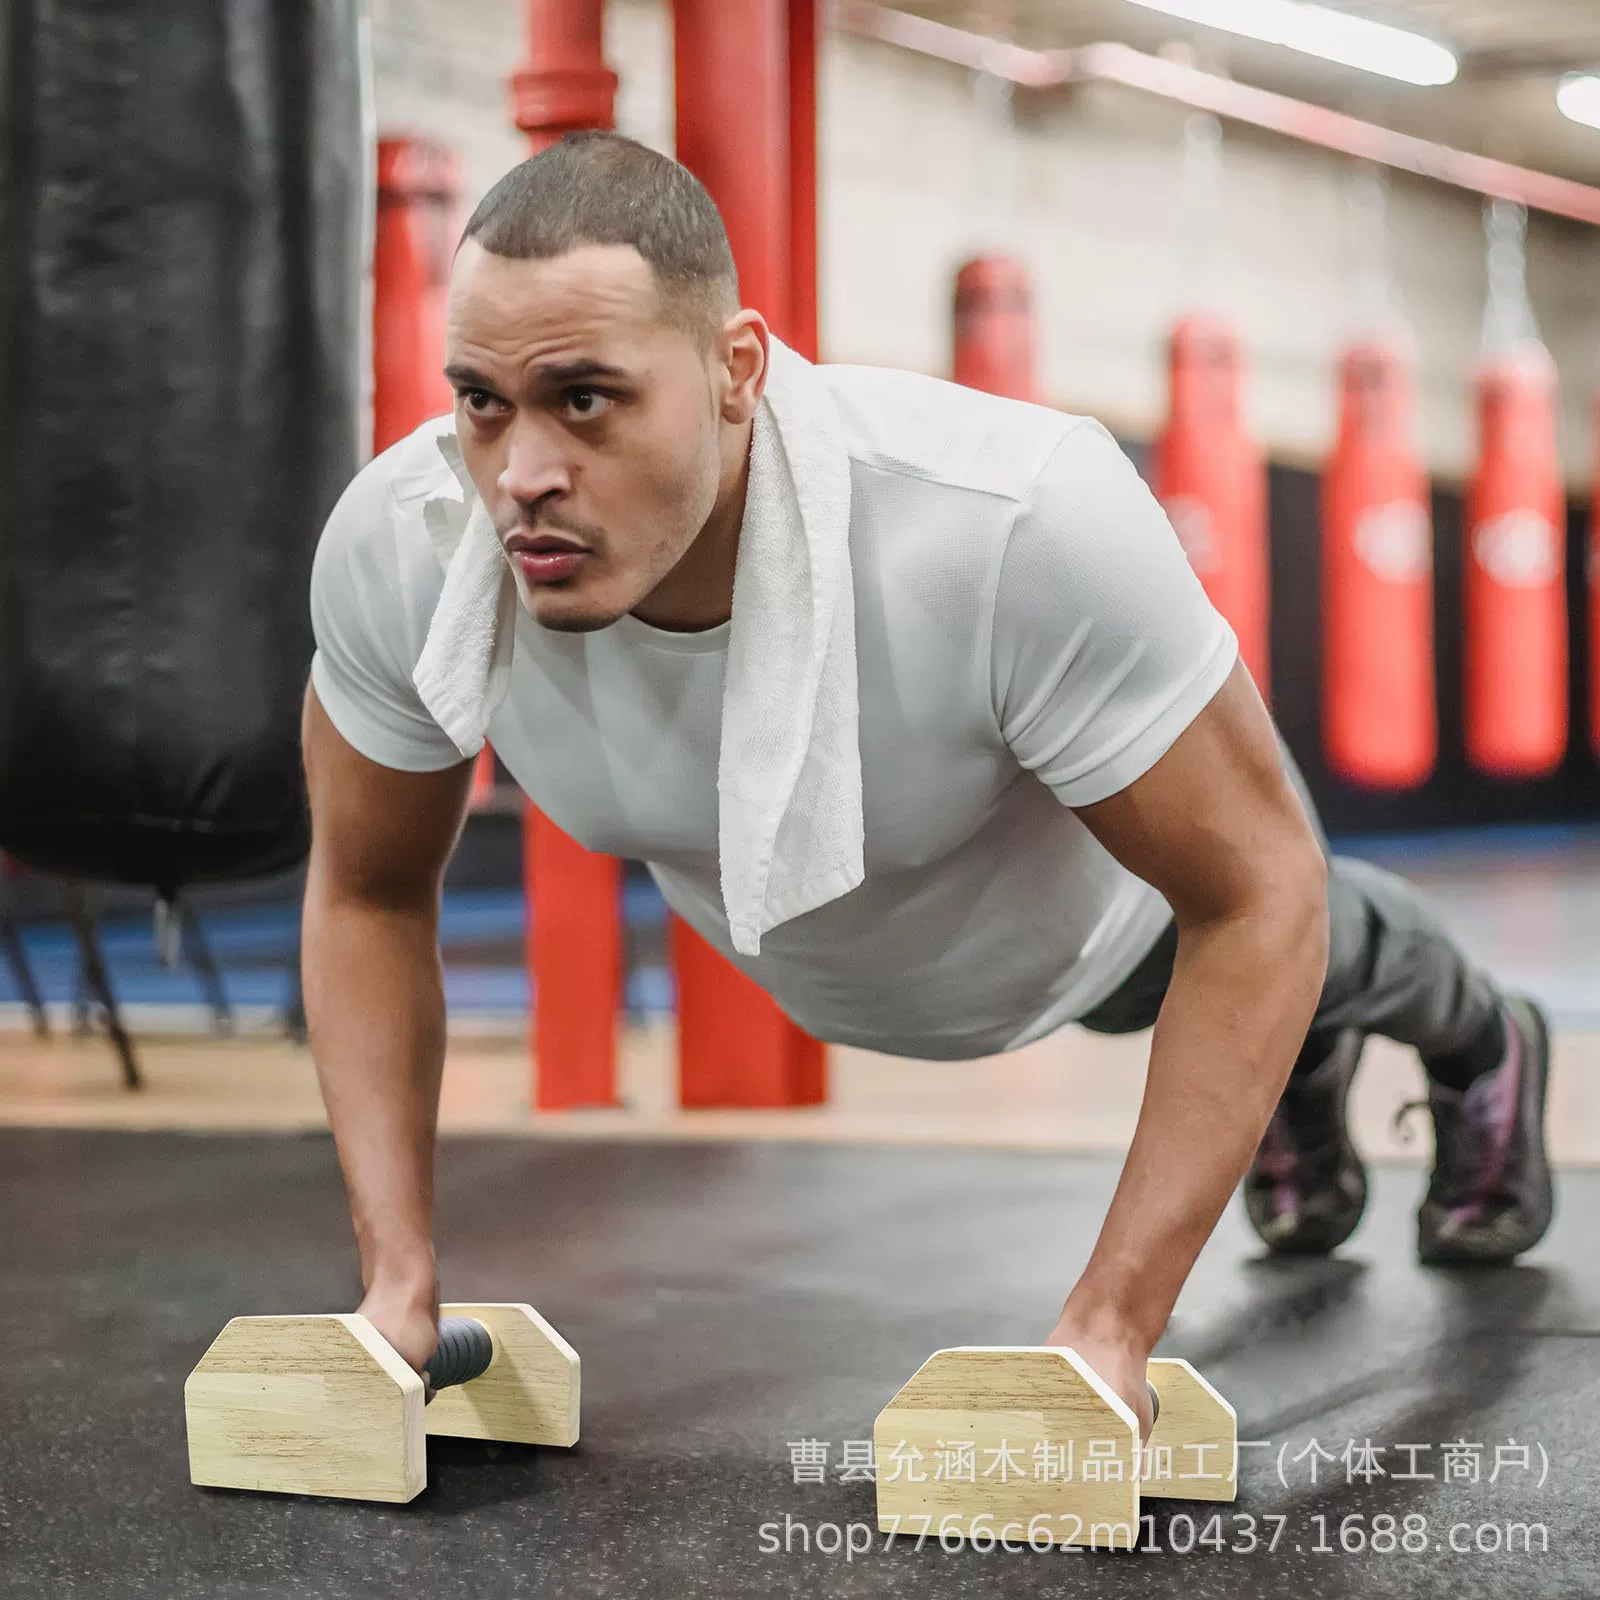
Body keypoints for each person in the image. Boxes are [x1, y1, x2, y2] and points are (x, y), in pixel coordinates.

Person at [301, 132, 1553, 1432]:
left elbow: (1259, 894)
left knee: (1302, 940)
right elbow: (367, 890)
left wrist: (1107, 1336)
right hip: (863, 949)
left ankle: (1483, 1047)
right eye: (483, 400)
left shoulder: (1006, 520)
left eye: (586, 398)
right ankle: (1287, 1065)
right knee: (1259, 984)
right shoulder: (409, 551)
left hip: (1114, 923)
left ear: (738, 370)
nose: (524, 474)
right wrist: (400, 1285)